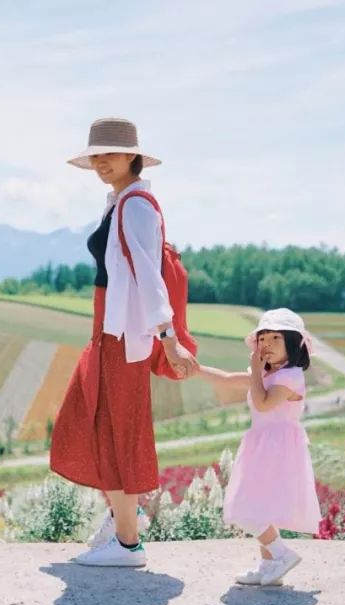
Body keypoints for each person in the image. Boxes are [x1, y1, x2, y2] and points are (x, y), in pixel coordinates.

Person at [49, 118, 198, 568]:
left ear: (132, 155)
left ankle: (128, 544)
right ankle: (119, 525)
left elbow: (149, 277)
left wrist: (169, 339)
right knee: (95, 422)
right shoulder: (119, 202)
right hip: (108, 333)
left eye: (110, 153)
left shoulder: (135, 205)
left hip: (124, 339)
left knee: (116, 430)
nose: (101, 162)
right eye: (96, 154)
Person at [196, 308, 322, 586]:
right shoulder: (267, 374)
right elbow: (228, 380)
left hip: (276, 446)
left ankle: (281, 554)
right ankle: (269, 566)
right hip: (264, 442)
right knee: (262, 505)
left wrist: (255, 371)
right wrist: (196, 369)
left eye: (276, 338)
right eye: (262, 338)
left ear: (294, 344)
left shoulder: (290, 377)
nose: (266, 344)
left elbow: (264, 403)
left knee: (246, 505)